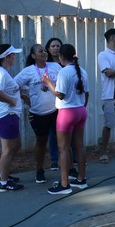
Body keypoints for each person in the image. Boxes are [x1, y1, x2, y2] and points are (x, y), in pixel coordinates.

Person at [43, 43, 89, 195]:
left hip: (67, 113)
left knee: (63, 149)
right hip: (81, 111)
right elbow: (86, 94)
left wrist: (48, 82)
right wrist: (80, 106)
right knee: (79, 146)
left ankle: (64, 184)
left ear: (62, 57)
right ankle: (82, 180)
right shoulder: (82, 71)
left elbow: (60, 94)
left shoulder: (64, 72)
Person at [15, 44, 61, 184]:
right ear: (34, 56)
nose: (44, 53)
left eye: (45, 51)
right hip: (38, 113)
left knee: (63, 142)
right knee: (41, 142)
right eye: (40, 51)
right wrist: (25, 98)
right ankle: (39, 170)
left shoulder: (55, 67)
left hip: (57, 111)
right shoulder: (28, 71)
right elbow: (13, 85)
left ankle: (68, 169)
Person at [0, 44, 24, 192]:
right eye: (13, 54)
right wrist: (11, 101)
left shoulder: (4, 72)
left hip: (10, 116)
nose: (15, 57)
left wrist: (22, 97)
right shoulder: (0, 73)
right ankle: (3, 183)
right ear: (7, 57)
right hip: (6, 116)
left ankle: (4, 174)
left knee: (16, 146)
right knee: (7, 151)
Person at [97, 28, 115, 163]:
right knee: (109, 124)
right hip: (109, 95)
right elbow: (108, 72)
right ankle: (103, 152)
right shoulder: (103, 55)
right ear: (112, 38)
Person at [44, 37, 64, 171]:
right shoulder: (46, 65)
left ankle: (72, 158)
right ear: (48, 49)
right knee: (53, 132)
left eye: (58, 46)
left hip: (64, 103)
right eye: (53, 46)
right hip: (50, 103)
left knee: (68, 132)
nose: (56, 48)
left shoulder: (66, 64)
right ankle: (55, 160)